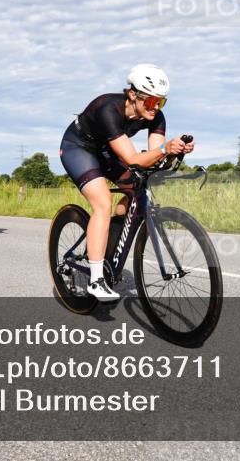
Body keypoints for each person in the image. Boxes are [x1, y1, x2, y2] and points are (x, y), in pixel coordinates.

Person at [59, 64, 193, 302]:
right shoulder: (107, 108)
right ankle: (96, 279)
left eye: (160, 102)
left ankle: (108, 236)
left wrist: (173, 152)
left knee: (138, 194)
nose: (155, 108)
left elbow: (154, 155)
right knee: (103, 202)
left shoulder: (156, 116)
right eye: (150, 101)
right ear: (132, 94)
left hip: (106, 151)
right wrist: (164, 148)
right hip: (78, 148)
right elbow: (132, 158)